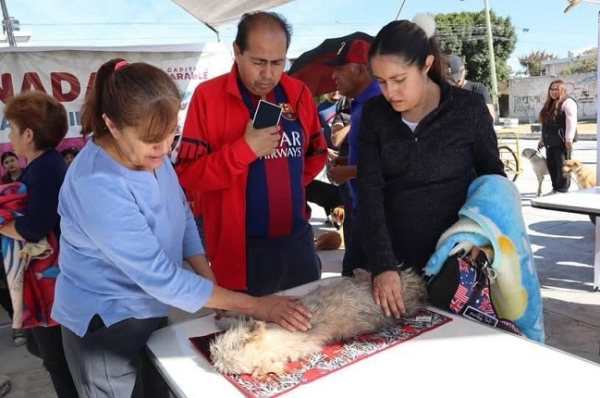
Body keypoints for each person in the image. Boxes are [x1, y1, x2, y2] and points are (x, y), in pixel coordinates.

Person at [52, 58, 312, 398]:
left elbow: (182, 215)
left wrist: (208, 278)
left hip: (149, 307)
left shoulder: (153, 156)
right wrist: (252, 304)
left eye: (170, 137)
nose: (164, 150)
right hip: (106, 324)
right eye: (152, 142)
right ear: (112, 126)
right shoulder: (97, 184)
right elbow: (162, 277)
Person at [356, 16, 506, 319]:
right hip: (394, 266)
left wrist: (482, 236)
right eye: (381, 82)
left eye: (399, 80)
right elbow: (369, 191)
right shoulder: (375, 115)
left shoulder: (467, 109)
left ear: (426, 64)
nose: (390, 92)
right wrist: (384, 265)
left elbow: (493, 179)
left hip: (458, 262)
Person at [175, 12, 328, 296]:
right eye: (258, 62)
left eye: (277, 63)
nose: (268, 74)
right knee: (249, 335)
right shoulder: (208, 97)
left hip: (297, 243)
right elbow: (188, 176)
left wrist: (286, 187)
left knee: (309, 327)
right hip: (239, 250)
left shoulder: (298, 94)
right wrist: (244, 151)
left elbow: (315, 155)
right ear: (237, 51)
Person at [1, 91, 77, 397]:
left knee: (56, 359)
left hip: (51, 282)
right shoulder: (44, 165)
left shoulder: (45, 169)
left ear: (28, 134)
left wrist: (5, 226)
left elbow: (34, 227)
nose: (10, 135)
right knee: (44, 349)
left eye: (13, 129)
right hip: (48, 280)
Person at [324, 36, 380, 277]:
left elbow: (393, 163)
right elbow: (372, 154)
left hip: (377, 214)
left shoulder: (379, 104)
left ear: (360, 69)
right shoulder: (359, 104)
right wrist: (347, 162)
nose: (334, 76)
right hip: (360, 208)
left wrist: (348, 172)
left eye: (340, 68)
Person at [537, 80, 577, 194]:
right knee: (552, 165)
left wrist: (569, 138)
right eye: (551, 89)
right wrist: (541, 139)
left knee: (563, 166)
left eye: (556, 89)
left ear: (562, 90)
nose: (553, 92)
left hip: (562, 141)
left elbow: (571, 120)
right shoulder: (549, 104)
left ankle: (563, 189)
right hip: (549, 141)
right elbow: (545, 124)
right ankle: (555, 187)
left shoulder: (568, 102)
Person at [447, 54, 495, 122]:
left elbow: (490, 118)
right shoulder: (445, 93)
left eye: (457, 77)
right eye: (451, 79)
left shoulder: (478, 89)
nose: (455, 81)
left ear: (463, 70)